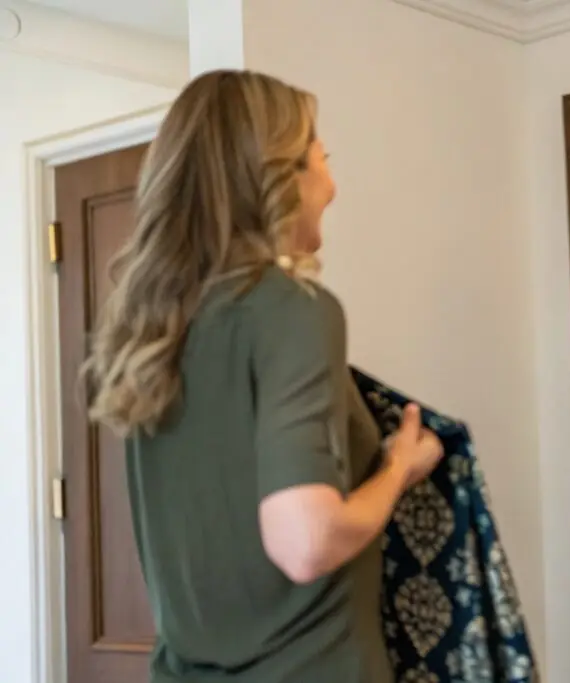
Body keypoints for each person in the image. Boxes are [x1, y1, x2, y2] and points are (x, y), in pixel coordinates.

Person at [82, 70, 443, 683]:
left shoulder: (152, 329)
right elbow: (306, 542)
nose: (332, 185)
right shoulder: (289, 309)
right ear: (283, 178)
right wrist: (397, 470)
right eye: (321, 158)